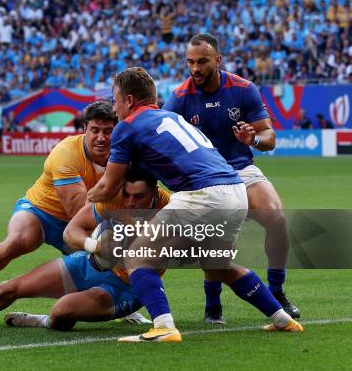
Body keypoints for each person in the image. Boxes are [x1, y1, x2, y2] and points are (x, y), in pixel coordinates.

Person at [87, 67, 303, 343]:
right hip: (236, 191)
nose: (114, 108)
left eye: (115, 100)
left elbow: (108, 186)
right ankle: (281, 318)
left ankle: (163, 327)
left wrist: (86, 200)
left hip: (204, 194)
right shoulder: (172, 117)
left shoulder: (127, 127)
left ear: (129, 100)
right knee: (218, 265)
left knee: (138, 256)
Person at [162, 33, 300, 323]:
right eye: (190, 62)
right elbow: (160, 138)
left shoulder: (243, 88)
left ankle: (276, 292)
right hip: (203, 178)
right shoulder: (178, 98)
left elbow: (269, 138)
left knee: (276, 218)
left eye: (202, 61)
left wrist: (254, 139)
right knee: (213, 243)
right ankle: (213, 304)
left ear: (218, 60)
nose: (195, 68)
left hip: (241, 168)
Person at [0, 100, 117, 325]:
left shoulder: (120, 156)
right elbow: (77, 209)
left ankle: (122, 305)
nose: (101, 137)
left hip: (79, 222)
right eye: (95, 130)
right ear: (85, 129)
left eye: (108, 131)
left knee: (108, 264)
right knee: (18, 241)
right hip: (41, 212)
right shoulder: (66, 153)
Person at [0, 171, 165, 329]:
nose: (131, 202)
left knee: (62, 312)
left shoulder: (173, 210)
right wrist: (94, 246)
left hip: (126, 288)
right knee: (11, 289)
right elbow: (71, 231)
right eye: (128, 196)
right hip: (89, 264)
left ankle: (40, 321)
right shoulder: (113, 197)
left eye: (139, 197)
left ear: (154, 194)